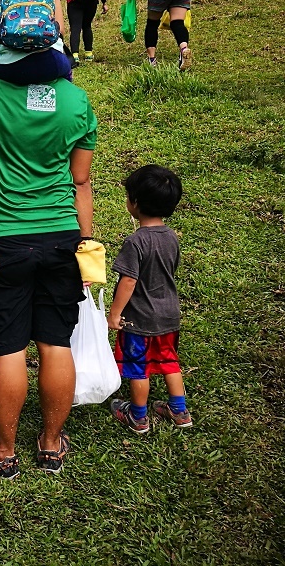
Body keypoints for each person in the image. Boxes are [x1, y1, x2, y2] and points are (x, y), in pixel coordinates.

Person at [0, 8, 98, 478]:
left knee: (8, 346)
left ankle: (2, 451)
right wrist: (85, 246)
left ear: (3, 43)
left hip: (6, 241)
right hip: (63, 238)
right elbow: (82, 181)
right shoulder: (75, 100)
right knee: (55, 341)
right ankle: (51, 445)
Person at [107, 165, 192, 433]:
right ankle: (179, 411)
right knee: (169, 360)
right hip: (169, 315)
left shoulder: (136, 242)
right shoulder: (172, 237)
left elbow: (128, 281)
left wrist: (115, 313)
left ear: (135, 203)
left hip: (139, 319)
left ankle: (138, 416)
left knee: (138, 366)